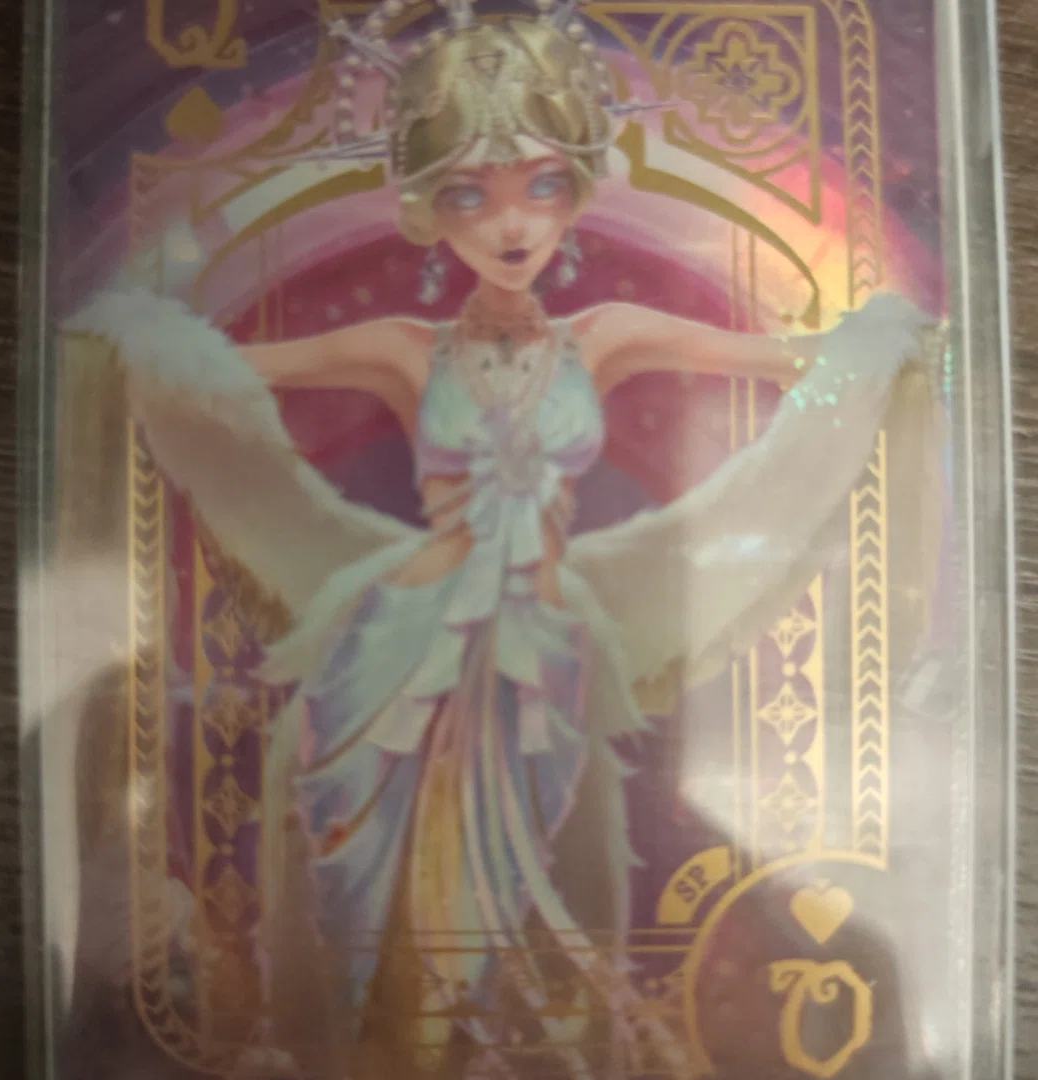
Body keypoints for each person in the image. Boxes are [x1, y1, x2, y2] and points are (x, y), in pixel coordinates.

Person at [71, 5, 942, 1077]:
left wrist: (879, 344)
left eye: (541, 185)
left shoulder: (604, 336)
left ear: (578, 190)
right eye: (470, 195)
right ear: (429, 209)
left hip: (542, 634)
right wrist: (136, 333)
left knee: (550, 846)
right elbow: (234, 373)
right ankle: (382, 1035)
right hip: (405, 635)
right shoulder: (404, 347)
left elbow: (780, 357)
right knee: (365, 866)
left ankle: (530, 1037)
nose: (511, 222)